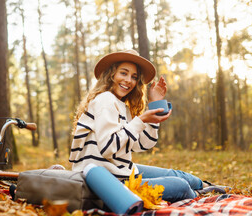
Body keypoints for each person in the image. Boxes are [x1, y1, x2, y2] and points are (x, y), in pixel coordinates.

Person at [69, 49, 227, 203]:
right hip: (108, 183)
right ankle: (199, 194)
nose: (128, 80)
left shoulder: (121, 106)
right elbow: (108, 147)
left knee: (179, 175)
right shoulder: (105, 100)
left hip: (120, 170)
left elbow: (142, 144)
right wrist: (141, 120)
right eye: (123, 73)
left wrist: (154, 108)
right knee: (180, 185)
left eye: (134, 77)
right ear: (111, 75)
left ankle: (207, 187)